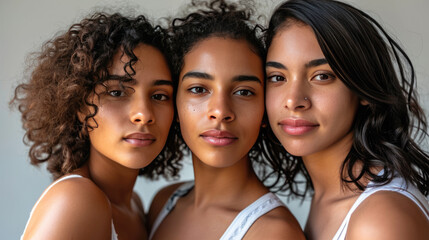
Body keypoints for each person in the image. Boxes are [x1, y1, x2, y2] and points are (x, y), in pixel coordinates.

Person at [264, 0, 429, 239]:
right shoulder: (332, 196)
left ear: (362, 89)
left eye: (321, 76)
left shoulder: (379, 222)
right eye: (278, 77)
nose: (293, 100)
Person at [11, 12, 184, 240]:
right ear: (79, 104)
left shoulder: (136, 207)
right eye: (116, 92)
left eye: (160, 96)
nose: (143, 114)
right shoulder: (77, 200)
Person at [147, 0, 305, 239]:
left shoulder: (273, 232)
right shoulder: (164, 201)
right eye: (199, 89)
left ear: (265, 109)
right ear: (174, 103)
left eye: (244, 92)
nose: (220, 111)